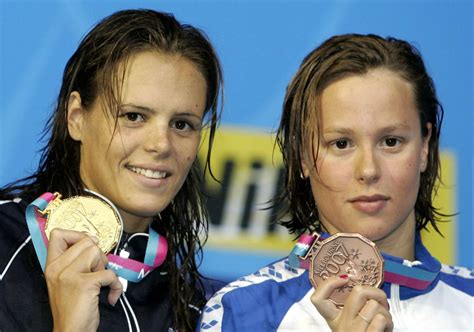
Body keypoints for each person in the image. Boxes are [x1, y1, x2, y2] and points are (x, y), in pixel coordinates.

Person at [199, 34, 473, 331]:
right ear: (303, 155)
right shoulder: (241, 312)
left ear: (424, 147)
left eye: (391, 141)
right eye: (341, 144)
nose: (368, 170)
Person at [0, 9, 223, 331]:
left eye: (181, 124)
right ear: (76, 117)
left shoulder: (199, 310)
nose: (161, 144)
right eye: (133, 116)